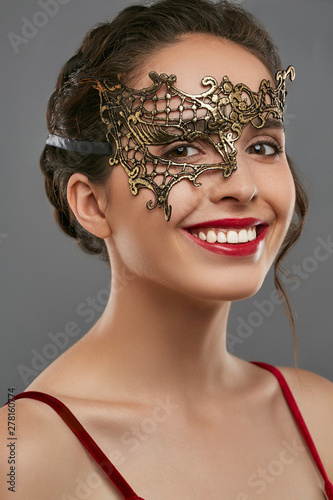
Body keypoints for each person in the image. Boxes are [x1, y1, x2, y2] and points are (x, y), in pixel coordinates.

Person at [1, 0, 333, 498]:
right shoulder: (23, 455)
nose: (241, 186)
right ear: (91, 203)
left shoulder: (321, 414)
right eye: (180, 150)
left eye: (262, 146)